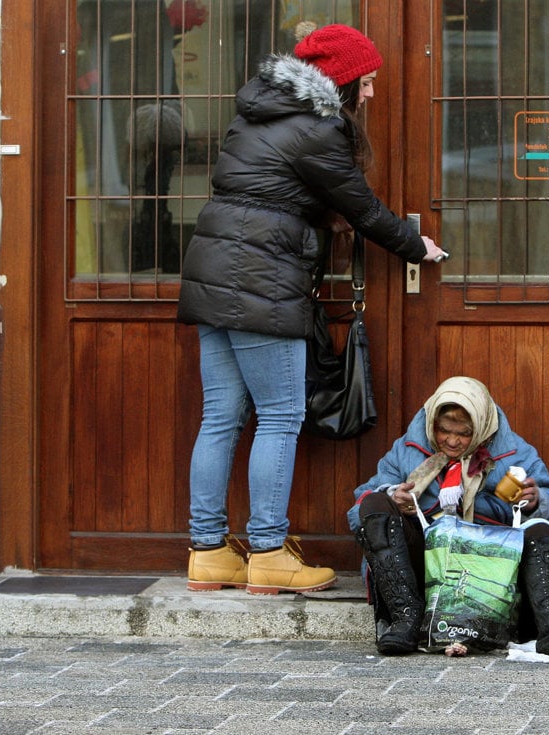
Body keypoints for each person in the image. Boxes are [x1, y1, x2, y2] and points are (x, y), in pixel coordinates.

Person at [177, 23, 446, 595]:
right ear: (340, 80)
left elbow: (270, 189)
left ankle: (208, 552)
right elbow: (364, 208)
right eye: (366, 83)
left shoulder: (257, 113)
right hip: (261, 280)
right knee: (279, 416)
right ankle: (269, 551)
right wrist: (414, 245)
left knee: (221, 417)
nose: (370, 94)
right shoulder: (318, 129)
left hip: (213, 269)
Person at [346, 376, 549, 655]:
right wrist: (395, 498)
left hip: (493, 572)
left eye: (464, 433)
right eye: (444, 430)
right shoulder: (407, 450)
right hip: (429, 567)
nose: (452, 441)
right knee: (376, 504)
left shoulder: (515, 454)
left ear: (481, 427)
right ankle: (406, 618)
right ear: (432, 423)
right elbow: (358, 513)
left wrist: (535, 502)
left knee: (540, 529)